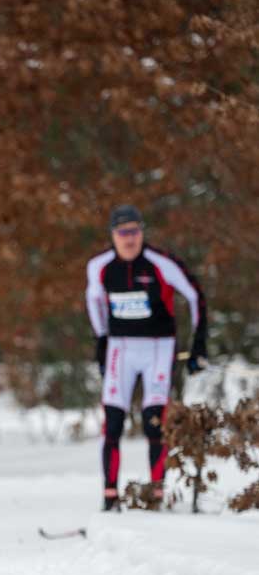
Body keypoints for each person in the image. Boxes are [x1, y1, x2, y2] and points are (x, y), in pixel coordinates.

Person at [85, 204, 208, 511]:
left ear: (142, 232)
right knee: (113, 422)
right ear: (113, 235)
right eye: (122, 233)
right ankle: (110, 497)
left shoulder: (161, 263)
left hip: (158, 348)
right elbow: (93, 300)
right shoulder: (99, 266)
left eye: (134, 231)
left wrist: (198, 345)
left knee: (154, 422)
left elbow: (195, 295)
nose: (129, 239)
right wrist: (101, 340)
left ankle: (156, 494)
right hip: (121, 348)